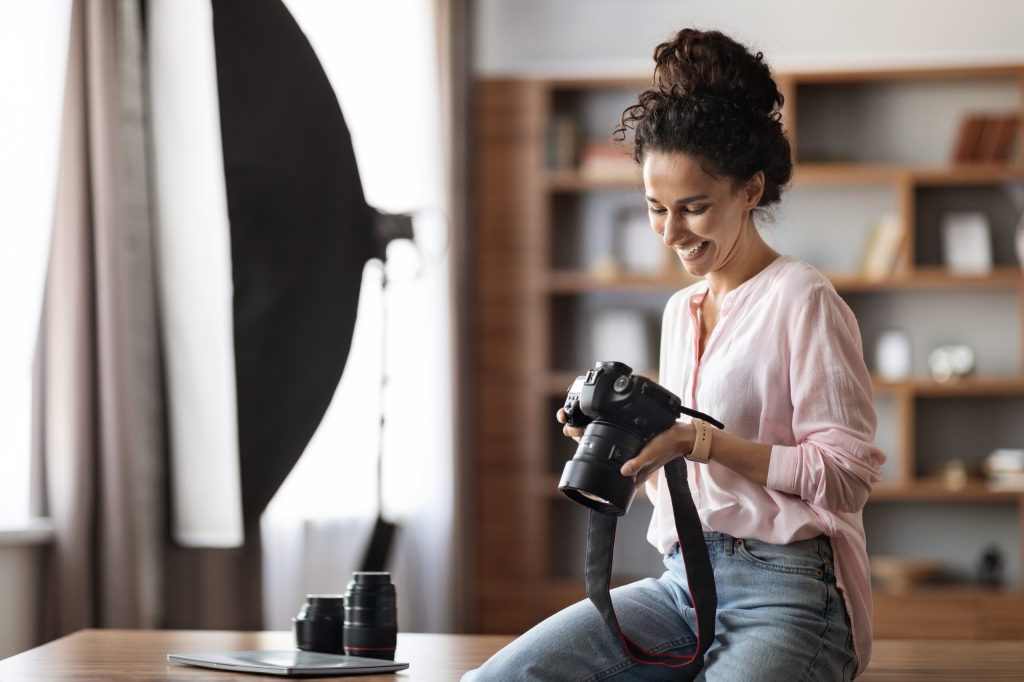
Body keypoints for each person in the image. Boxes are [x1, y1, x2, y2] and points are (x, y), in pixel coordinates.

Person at [463, 28, 884, 681]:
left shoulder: (804, 299)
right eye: (656, 208)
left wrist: (699, 442)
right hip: (681, 586)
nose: (671, 233)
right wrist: (627, 448)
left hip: (790, 599)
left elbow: (846, 476)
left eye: (694, 208)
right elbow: (690, 477)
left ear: (750, 190)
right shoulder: (679, 312)